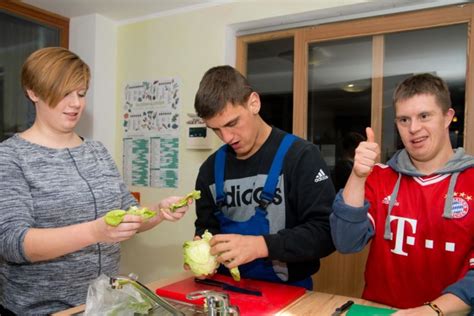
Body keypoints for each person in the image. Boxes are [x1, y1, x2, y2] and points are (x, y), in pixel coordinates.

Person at [0, 47, 190, 315]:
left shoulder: (97, 151)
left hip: (102, 306)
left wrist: (159, 212)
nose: (76, 103)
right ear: (33, 92)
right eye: (64, 93)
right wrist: (94, 232)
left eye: (81, 93)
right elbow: (12, 242)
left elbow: (127, 214)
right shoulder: (11, 156)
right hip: (41, 310)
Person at [330, 73, 473, 314]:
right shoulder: (380, 177)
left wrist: (429, 311)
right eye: (404, 120)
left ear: (447, 117)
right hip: (380, 311)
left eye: (424, 116)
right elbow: (345, 242)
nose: (414, 129)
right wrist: (358, 175)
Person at [192, 65, 335, 290]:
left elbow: (326, 232)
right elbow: (205, 228)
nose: (227, 137)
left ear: (254, 103)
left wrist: (261, 246)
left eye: (232, 123)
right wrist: (201, 251)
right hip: (225, 290)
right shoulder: (210, 170)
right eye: (216, 130)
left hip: (290, 292)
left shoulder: (301, 157)